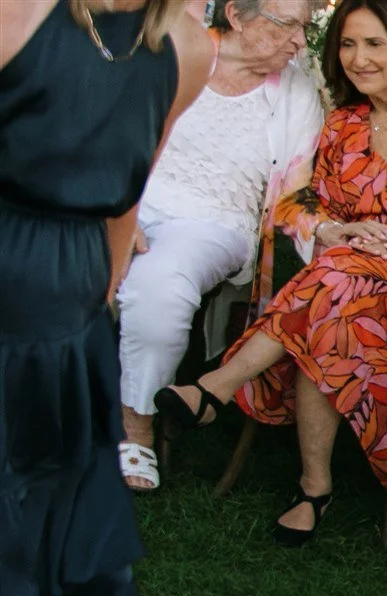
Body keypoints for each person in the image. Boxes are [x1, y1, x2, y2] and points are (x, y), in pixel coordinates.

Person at [155, 0, 387, 541]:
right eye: (347, 44)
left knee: (337, 283)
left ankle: (218, 386)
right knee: (335, 301)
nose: (359, 59)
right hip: (350, 277)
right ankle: (313, 486)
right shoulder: (343, 123)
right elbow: (312, 207)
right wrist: (337, 231)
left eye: (373, 44)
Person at [0, 0, 207, 596]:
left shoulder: (185, 48)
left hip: (68, 320)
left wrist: (100, 299)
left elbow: (128, 192)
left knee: (77, 572)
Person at [113, 0, 321, 494]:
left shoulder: (296, 91)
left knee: (162, 284)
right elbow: (113, 133)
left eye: (304, 28)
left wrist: (325, 228)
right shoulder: (174, 49)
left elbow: (295, 192)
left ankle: (135, 425)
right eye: (287, 25)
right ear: (237, 14)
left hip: (214, 223)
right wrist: (118, 214)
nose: (299, 41)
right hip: (127, 200)